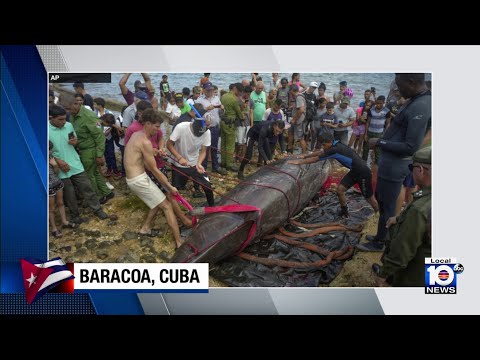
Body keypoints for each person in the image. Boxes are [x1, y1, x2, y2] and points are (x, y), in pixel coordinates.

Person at [361, 73, 431, 251]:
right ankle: (380, 236)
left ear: (411, 82)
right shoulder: (417, 100)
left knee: (388, 205)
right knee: (383, 201)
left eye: (399, 86)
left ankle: (381, 244)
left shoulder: (421, 105)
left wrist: (379, 142)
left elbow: (410, 146)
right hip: (391, 161)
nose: (398, 90)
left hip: (396, 164)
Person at [369, 146, 432, 286]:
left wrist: (383, 274)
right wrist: (399, 218)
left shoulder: (419, 209)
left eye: (411, 167)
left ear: (420, 170)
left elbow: (403, 250)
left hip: (417, 275)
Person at [124, 109, 184, 248]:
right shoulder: (145, 141)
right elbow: (155, 170)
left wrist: (155, 151)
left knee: (157, 201)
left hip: (135, 177)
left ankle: (146, 228)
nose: (158, 130)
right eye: (156, 127)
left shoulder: (137, 134)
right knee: (167, 206)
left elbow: (140, 153)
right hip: (138, 180)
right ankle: (179, 242)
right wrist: (170, 187)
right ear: (148, 123)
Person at [288, 132, 378, 218]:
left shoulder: (335, 149)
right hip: (355, 171)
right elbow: (321, 152)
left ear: (330, 142)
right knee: (340, 190)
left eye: (324, 144)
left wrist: (299, 162)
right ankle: (345, 212)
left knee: (370, 199)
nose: (323, 146)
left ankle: (379, 216)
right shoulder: (335, 144)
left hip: (363, 173)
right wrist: (304, 156)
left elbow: (316, 159)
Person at [49, 105, 111, 222]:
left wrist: (75, 142)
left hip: (75, 163)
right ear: (51, 118)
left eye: (64, 119)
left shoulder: (68, 125)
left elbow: (75, 141)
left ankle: (97, 209)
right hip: (60, 167)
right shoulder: (45, 130)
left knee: (87, 187)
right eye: (60, 120)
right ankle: (75, 215)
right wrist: (58, 161)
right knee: (69, 193)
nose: (64, 122)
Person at [167, 119, 215, 207]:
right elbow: (169, 144)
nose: (198, 136)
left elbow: (203, 151)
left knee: (207, 186)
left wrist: (199, 163)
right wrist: (179, 157)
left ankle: (212, 207)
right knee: (176, 189)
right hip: (179, 164)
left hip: (195, 164)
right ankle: (175, 208)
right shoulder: (181, 127)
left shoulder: (207, 132)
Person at [49, 141, 76, 237]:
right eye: (48, 149)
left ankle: (64, 221)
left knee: (60, 202)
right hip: (48, 186)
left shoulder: (51, 157)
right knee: (51, 208)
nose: (50, 151)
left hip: (57, 182)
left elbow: (56, 172)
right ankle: (54, 228)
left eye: (50, 149)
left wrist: (55, 165)